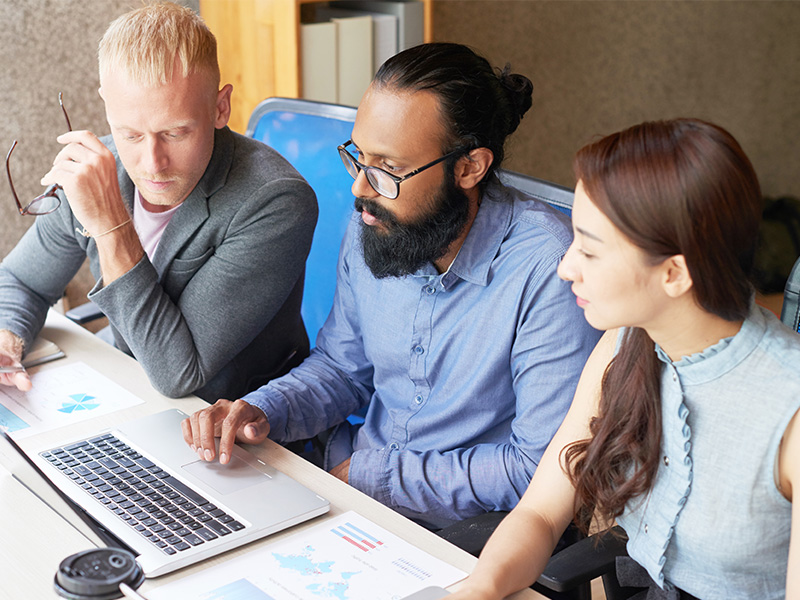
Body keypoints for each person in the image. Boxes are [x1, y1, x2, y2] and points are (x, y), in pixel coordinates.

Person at [182, 43, 600, 529]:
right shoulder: (377, 219)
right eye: (359, 156)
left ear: (470, 167)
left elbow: (540, 467)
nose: (360, 185)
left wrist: (374, 478)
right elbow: (343, 369)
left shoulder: (550, 269)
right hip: (347, 486)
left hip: (471, 533)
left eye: (389, 168)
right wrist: (261, 410)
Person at [448, 119, 800, 600]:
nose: (565, 267)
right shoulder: (624, 343)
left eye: (590, 252)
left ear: (675, 272)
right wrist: (477, 590)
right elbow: (540, 512)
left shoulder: (789, 408)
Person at [0, 2, 317, 402]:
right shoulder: (100, 170)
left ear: (221, 107)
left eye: (176, 133)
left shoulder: (277, 201)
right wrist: (7, 336)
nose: (152, 163)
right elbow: (21, 280)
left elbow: (179, 374)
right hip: (128, 394)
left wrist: (112, 226)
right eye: (130, 134)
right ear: (107, 107)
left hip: (232, 428)